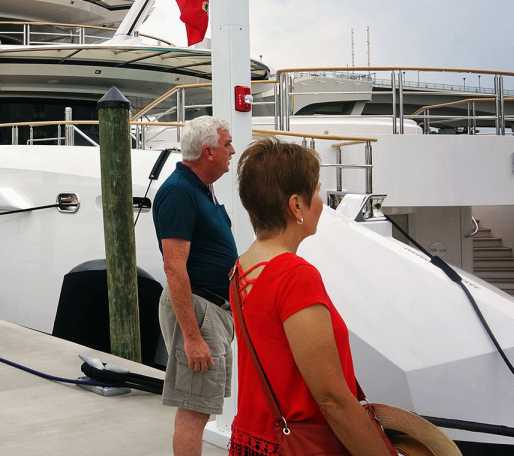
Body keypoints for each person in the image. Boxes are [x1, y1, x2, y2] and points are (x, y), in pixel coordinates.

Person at [229, 138, 394, 456]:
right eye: (317, 192)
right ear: (296, 206)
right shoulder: (294, 275)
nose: (321, 201)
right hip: (297, 446)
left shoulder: (241, 269)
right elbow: (331, 399)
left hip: (253, 441)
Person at [153, 115, 238, 456]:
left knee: (200, 406)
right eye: (227, 144)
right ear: (208, 152)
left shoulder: (200, 188)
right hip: (199, 310)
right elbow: (174, 268)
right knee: (193, 410)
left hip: (211, 310)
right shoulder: (180, 192)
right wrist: (192, 337)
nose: (232, 150)